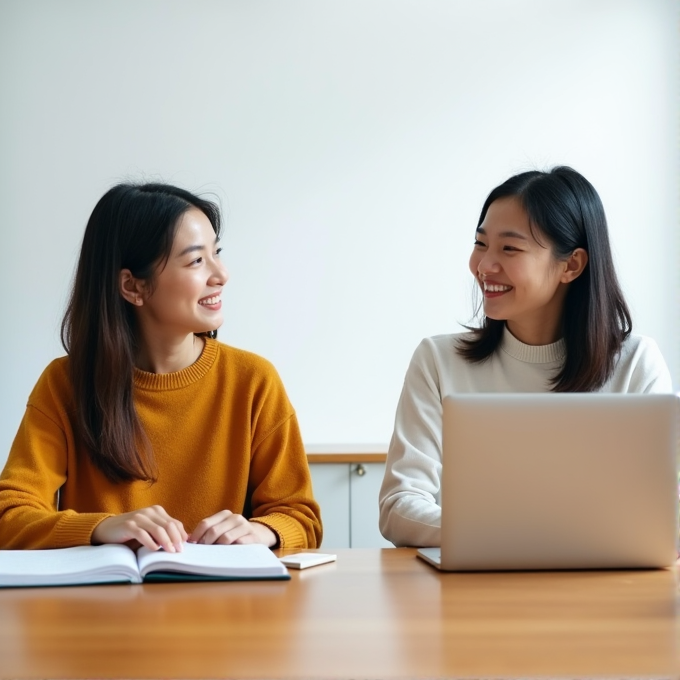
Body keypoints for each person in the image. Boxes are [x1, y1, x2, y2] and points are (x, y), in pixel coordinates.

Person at [0, 183, 322, 552]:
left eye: (216, 253)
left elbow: (301, 517)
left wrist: (265, 531)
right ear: (133, 286)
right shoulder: (64, 385)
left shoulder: (253, 381)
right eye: (196, 260)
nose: (221, 274)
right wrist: (103, 527)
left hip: (225, 606)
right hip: (101, 608)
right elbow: (9, 516)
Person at [379, 166, 673, 548]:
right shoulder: (438, 360)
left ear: (571, 265)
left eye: (509, 248)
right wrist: (528, 535)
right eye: (481, 243)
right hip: (475, 593)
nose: (484, 266)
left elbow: (660, 513)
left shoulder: (636, 364)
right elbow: (399, 508)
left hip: (602, 592)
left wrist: (502, 533)